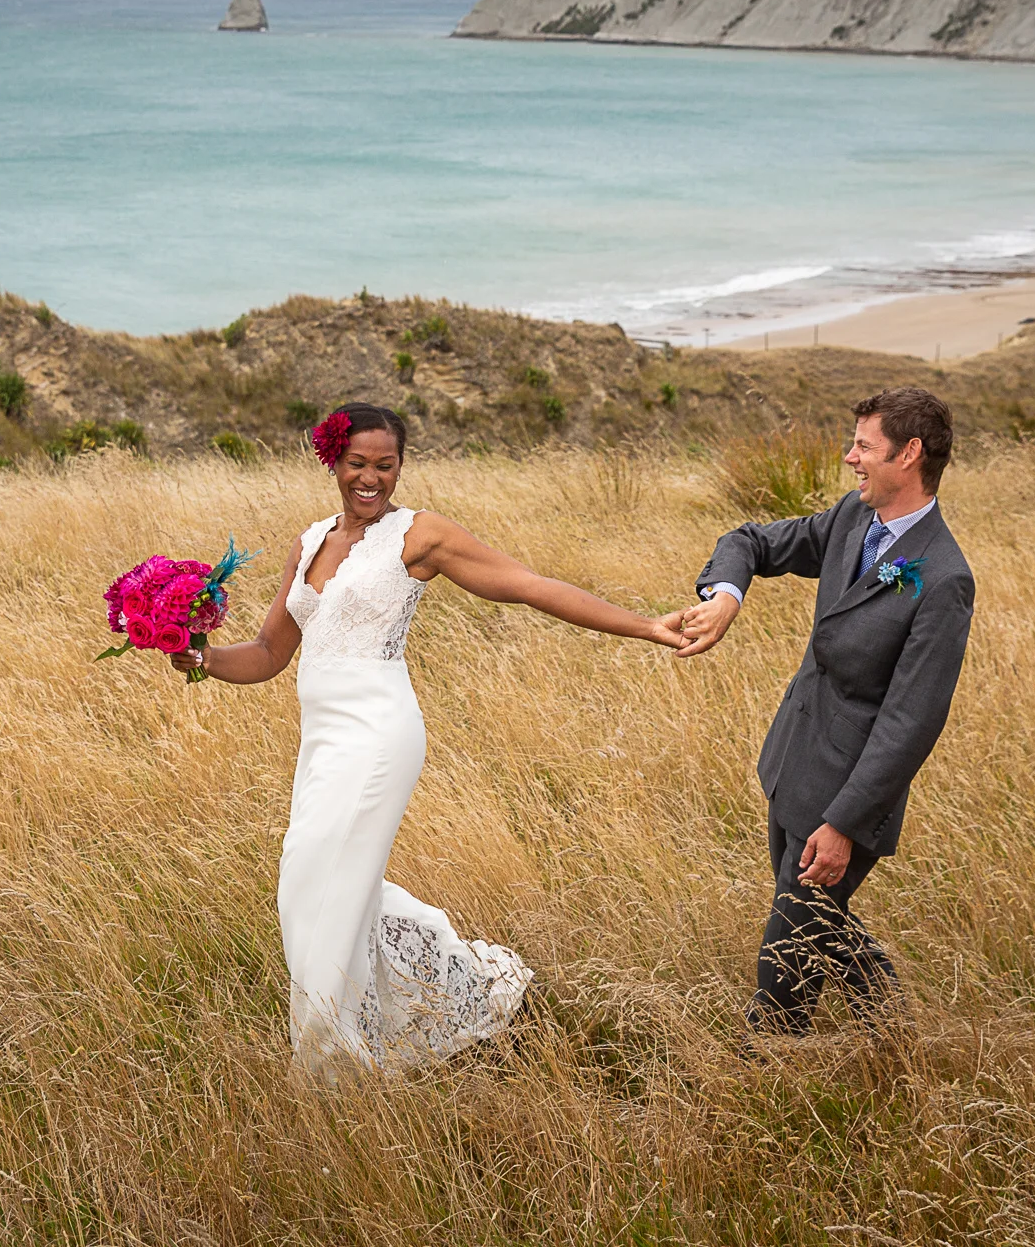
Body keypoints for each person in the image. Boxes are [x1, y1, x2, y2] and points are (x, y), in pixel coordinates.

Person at [169, 401, 687, 1077]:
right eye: (358, 463)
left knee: (330, 889)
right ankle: (464, 979)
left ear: (400, 466)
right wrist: (200, 656)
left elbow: (528, 585)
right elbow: (269, 651)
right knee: (307, 884)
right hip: (323, 743)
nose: (371, 479)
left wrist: (646, 625)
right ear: (334, 461)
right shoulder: (310, 542)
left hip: (379, 734)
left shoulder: (418, 535)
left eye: (386, 465)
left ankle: (334, 1070)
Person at [665, 387, 975, 1038]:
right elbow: (750, 540)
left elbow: (910, 722)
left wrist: (843, 825)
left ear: (909, 453)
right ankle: (894, 1028)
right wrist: (725, 595)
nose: (849, 457)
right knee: (817, 919)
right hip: (792, 763)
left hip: (847, 797)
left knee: (784, 966)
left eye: (863, 445)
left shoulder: (943, 578)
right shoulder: (850, 519)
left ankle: (761, 1077)